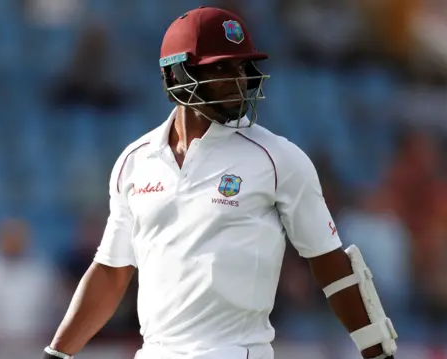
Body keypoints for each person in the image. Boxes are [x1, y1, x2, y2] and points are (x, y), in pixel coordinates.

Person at [42, 6, 398, 359]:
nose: (239, 80)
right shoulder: (135, 162)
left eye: (242, 67)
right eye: (222, 68)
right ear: (177, 74)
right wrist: (57, 354)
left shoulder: (278, 159)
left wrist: (378, 351)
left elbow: (331, 263)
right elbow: (111, 271)